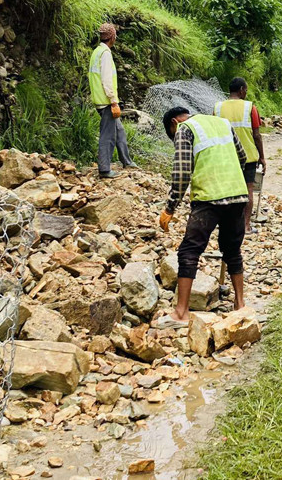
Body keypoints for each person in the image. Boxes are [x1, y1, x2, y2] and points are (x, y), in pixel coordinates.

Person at [156, 107, 248, 328]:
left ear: (174, 123)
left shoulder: (184, 129)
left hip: (209, 198)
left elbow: (181, 174)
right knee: (232, 250)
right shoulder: (222, 122)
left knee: (189, 251)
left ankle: (181, 313)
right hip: (237, 194)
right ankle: (240, 305)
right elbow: (242, 157)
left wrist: (170, 207)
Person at [214, 78, 266, 232]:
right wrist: (262, 157)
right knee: (248, 190)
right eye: (246, 90)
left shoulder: (217, 107)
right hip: (248, 156)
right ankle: (246, 226)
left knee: (227, 190)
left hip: (225, 155)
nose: (246, 93)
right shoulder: (250, 107)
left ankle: (227, 225)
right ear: (242, 89)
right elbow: (256, 134)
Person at [88, 22, 135, 178]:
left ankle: (126, 161)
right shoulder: (106, 54)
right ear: (113, 37)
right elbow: (107, 80)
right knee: (108, 136)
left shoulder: (97, 51)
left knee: (119, 130)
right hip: (106, 101)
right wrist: (113, 101)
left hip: (100, 99)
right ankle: (104, 169)